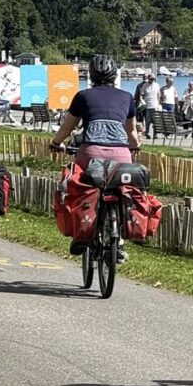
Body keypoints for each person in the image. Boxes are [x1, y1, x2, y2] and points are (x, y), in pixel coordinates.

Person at [49, 55, 140, 261]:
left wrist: (56, 143)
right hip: (121, 153)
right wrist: (135, 146)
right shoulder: (126, 97)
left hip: (91, 152)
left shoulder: (83, 96)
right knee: (122, 188)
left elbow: (67, 127)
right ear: (115, 75)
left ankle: (83, 231)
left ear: (90, 75)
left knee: (83, 187)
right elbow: (132, 132)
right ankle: (121, 240)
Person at [140, 73, 160, 139]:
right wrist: (143, 103)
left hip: (155, 105)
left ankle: (155, 134)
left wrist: (158, 103)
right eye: (151, 79)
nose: (152, 80)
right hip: (148, 106)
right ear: (148, 78)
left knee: (156, 121)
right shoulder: (144, 85)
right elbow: (141, 95)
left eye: (153, 79)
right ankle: (147, 133)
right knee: (147, 121)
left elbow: (158, 95)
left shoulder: (157, 85)